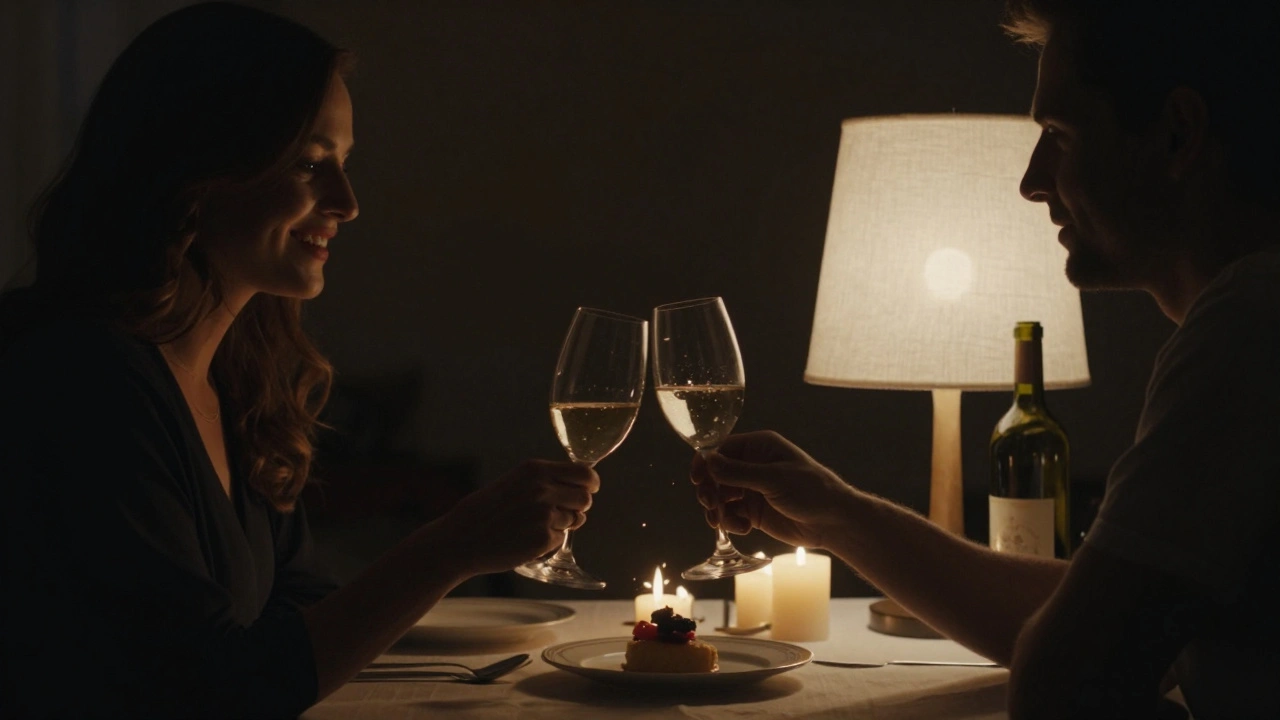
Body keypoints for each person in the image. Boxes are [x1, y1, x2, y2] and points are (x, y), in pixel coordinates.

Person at [0, 3, 597, 718]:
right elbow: (216, 690)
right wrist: (451, 548)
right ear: (199, 169)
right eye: (311, 164)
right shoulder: (84, 383)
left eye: (342, 165)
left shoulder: (235, 376)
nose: (347, 203)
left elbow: (300, 607)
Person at [693, 1, 1279, 719]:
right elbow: (1091, 618)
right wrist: (834, 517)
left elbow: (1061, 682)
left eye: (1060, 134)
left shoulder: (1251, 325)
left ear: (1177, 134)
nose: (1033, 181)